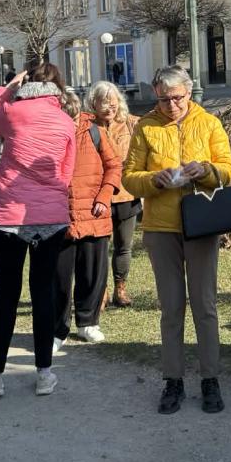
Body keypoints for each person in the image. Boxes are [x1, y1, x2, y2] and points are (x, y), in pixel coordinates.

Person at [122, 65, 231, 415]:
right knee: (171, 308)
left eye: (176, 98)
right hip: (161, 227)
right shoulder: (146, 126)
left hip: (201, 223)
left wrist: (206, 171)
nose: (170, 106)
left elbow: (227, 170)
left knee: (205, 305)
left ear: (189, 91)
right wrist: (154, 180)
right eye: (163, 99)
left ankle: (210, 378)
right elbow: (129, 177)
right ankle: (173, 380)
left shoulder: (209, 123)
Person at [0, 63, 76, 398]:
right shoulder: (65, 121)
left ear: (26, 83)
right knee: (43, 293)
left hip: (8, 215)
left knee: (6, 295)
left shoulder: (12, 112)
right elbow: (66, 171)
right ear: (58, 86)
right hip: (49, 215)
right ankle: (44, 373)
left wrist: (5, 89)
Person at [58, 84, 123, 344]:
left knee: (93, 273)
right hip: (60, 216)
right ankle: (58, 328)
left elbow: (114, 165)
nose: (73, 122)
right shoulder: (50, 133)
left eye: (74, 116)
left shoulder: (94, 130)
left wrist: (105, 196)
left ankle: (88, 322)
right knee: (59, 277)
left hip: (94, 214)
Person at [87, 81, 139, 307]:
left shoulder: (130, 123)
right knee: (100, 248)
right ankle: (102, 291)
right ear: (93, 104)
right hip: (98, 196)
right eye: (104, 102)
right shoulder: (88, 127)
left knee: (123, 245)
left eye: (113, 101)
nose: (109, 107)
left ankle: (120, 288)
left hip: (126, 194)